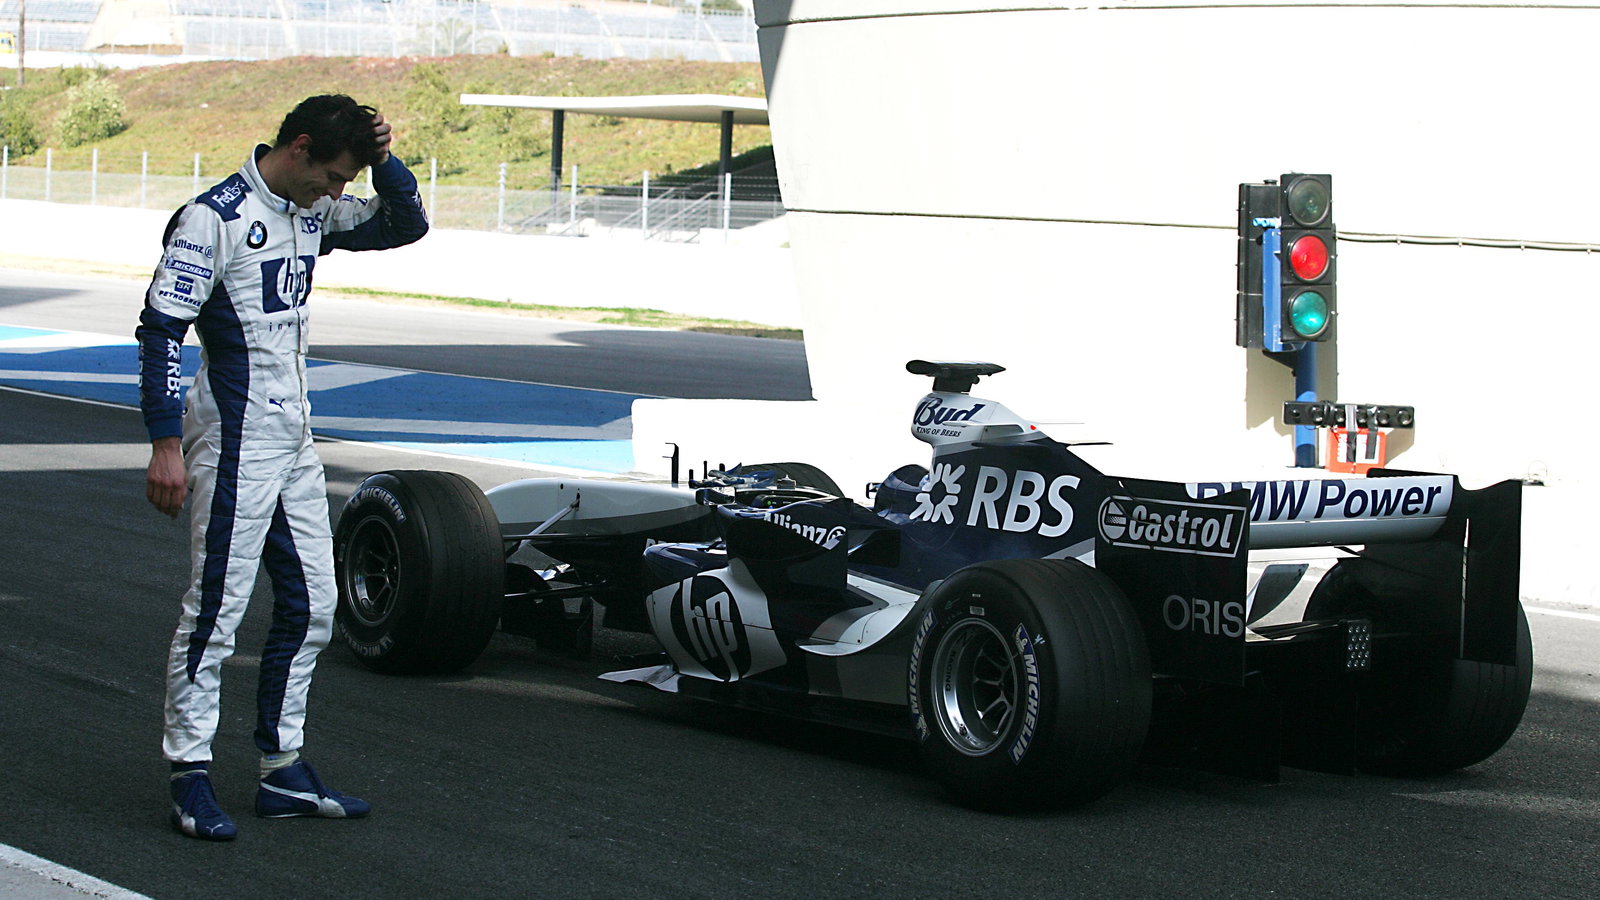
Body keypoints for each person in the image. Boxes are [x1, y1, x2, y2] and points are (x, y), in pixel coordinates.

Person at [136, 94, 429, 841]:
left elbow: (405, 224)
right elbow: (162, 328)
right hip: (233, 442)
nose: (337, 191)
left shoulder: (311, 211)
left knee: (314, 606)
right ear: (297, 148)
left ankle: (281, 767)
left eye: (346, 180)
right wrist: (164, 443)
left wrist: (385, 160)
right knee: (216, 611)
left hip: (294, 437)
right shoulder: (213, 218)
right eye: (332, 175)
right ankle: (189, 774)